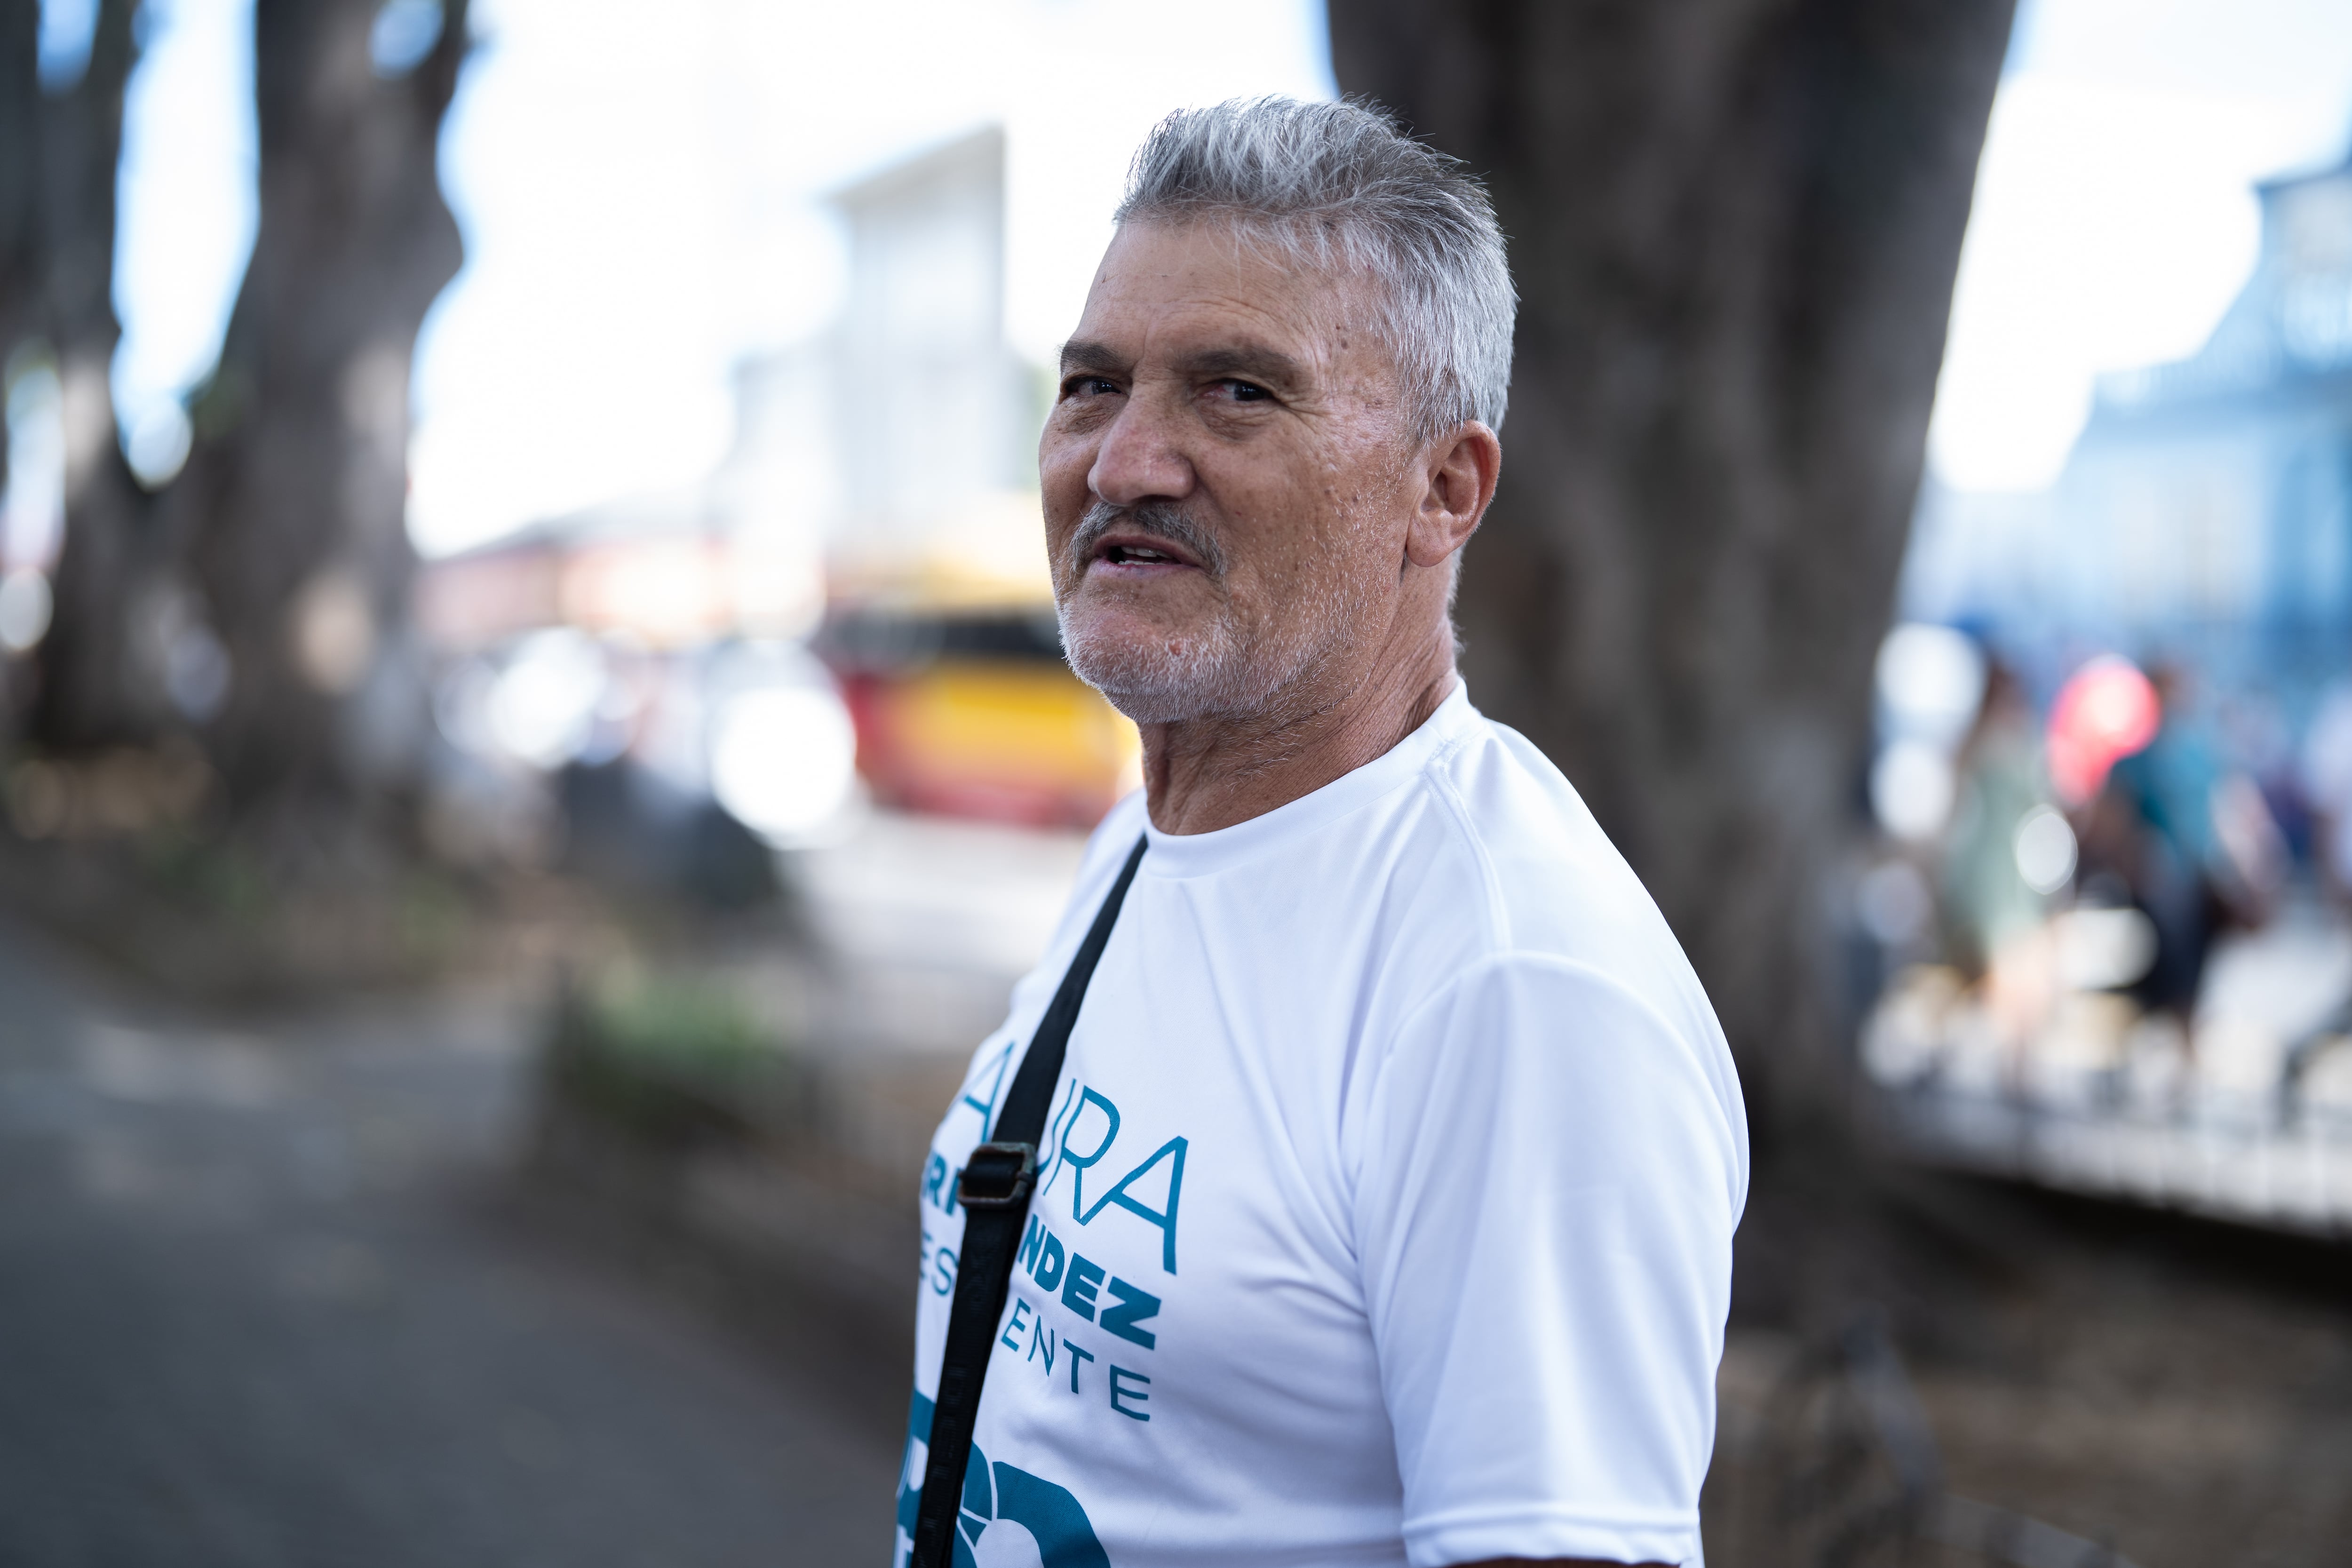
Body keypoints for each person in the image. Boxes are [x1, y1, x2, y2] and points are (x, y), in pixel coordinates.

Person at [897, 97, 1746, 1568]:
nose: (1125, 463)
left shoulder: (1513, 990)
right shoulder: (1149, 843)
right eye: (1093, 385)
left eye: (1236, 393)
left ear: (1443, 490)